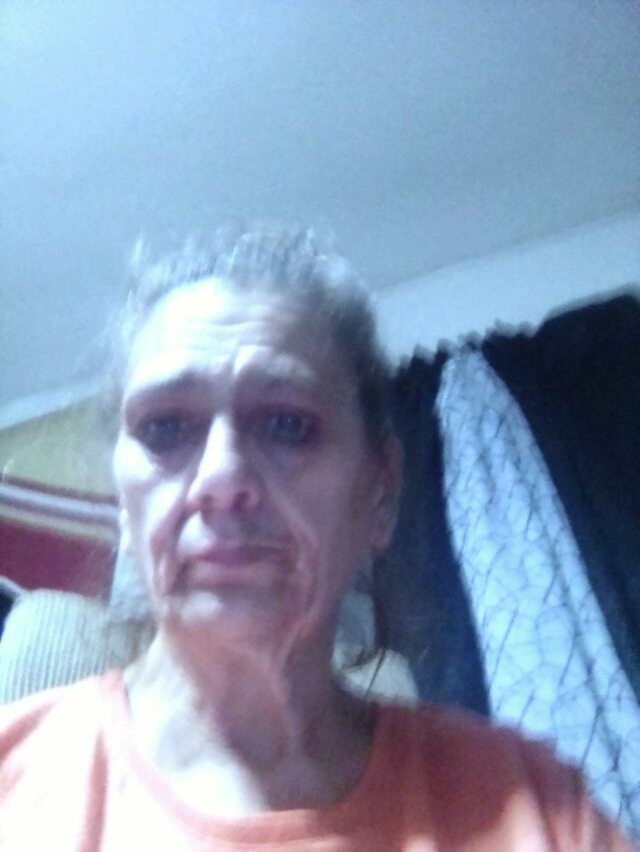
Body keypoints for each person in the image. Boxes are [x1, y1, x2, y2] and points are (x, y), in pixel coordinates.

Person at [0, 226, 633, 850]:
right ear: (123, 503)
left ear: (378, 494)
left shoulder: (533, 805)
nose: (221, 478)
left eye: (287, 424)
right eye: (165, 428)